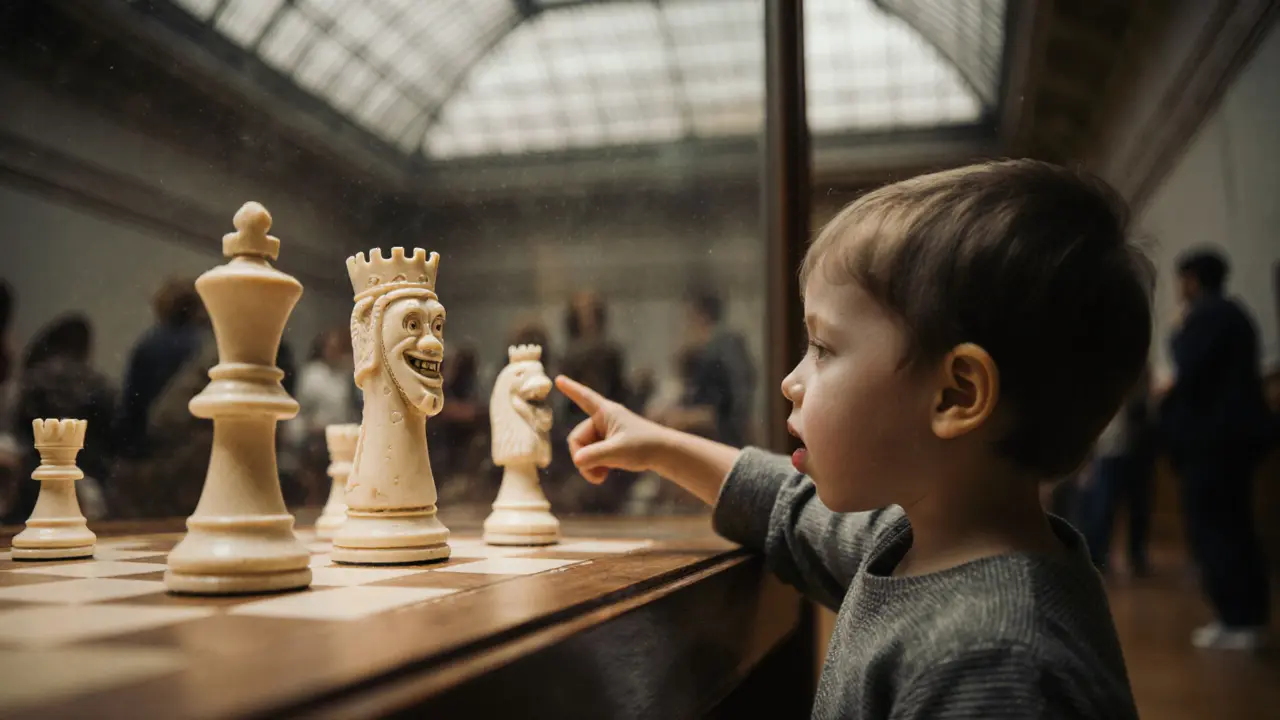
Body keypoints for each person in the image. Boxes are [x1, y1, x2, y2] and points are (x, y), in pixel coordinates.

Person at [556, 160, 1146, 718]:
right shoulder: (917, 542)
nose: (791, 381)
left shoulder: (994, 664)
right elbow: (784, 507)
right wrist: (657, 445)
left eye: (823, 348)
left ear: (955, 395)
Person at [1158, 248, 1271, 650]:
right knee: (1231, 526)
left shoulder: (1208, 316)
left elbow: (1189, 367)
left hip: (1215, 443)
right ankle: (1239, 616)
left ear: (1192, 279)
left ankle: (1240, 618)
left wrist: (1177, 330)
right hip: (1228, 441)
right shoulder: (1231, 314)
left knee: (1218, 529)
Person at [7, 314, 115, 524]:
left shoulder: (32, 379)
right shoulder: (97, 382)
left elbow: (18, 429)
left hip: (36, 471)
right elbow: (113, 430)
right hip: (91, 469)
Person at [114, 277, 205, 459]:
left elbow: (132, 404)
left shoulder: (148, 344)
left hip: (150, 446)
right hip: (191, 447)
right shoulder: (204, 346)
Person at [1076, 368, 1155, 576]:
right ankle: (1098, 559)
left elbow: (1146, 405)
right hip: (1111, 448)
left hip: (1138, 448)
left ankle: (1136, 557)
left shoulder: (1140, 371)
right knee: (1103, 506)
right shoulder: (1104, 375)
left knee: (1138, 506)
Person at [677, 292, 756, 447]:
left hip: (722, 442)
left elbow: (715, 413)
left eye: (689, 320)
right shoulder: (729, 348)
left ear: (701, 318)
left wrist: (680, 418)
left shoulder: (716, 355)